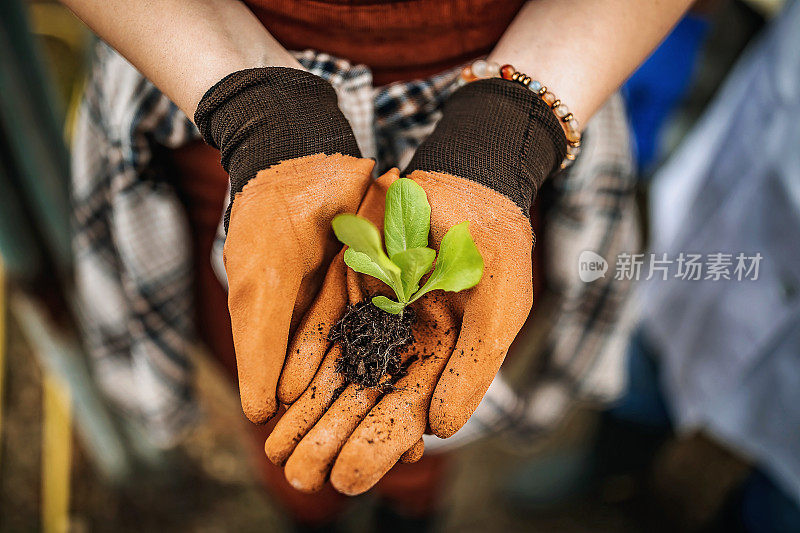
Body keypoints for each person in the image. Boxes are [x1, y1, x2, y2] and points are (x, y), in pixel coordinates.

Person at [63, 0, 693, 528]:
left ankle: (410, 512)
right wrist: (255, 105)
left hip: (531, 93)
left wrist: (515, 123)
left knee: (435, 406)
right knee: (274, 374)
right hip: (202, 83)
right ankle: (310, 517)